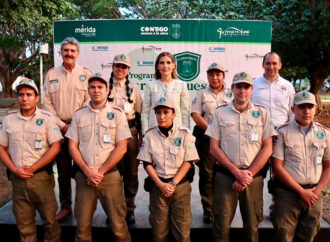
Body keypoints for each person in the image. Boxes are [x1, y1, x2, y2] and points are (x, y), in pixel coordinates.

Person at [205, 72, 277, 242]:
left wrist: (247, 174)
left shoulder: (262, 113)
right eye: (238, 86)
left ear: (252, 89)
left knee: (252, 227)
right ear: (232, 89)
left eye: (246, 87)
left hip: (253, 178)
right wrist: (236, 172)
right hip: (225, 176)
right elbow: (213, 148)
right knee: (220, 226)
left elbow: (268, 148)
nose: (242, 90)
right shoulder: (220, 113)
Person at [66, 73, 131, 241]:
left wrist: (99, 171)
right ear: (88, 90)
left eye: (100, 87)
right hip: (84, 177)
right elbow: (72, 146)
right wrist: (88, 172)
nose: (96, 91)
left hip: (109, 177)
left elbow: (122, 147)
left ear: (107, 90)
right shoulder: (79, 115)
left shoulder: (117, 114)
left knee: (119, 227)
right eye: (93, 87)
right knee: (82, 228)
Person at [0, 78, 62, 242]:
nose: (24, 98)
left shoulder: (47, 119)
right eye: (21, 95)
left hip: (41, 179)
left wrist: (34, 168)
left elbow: (56, 146)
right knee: (24, 226)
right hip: (17, 179)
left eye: (29, 94)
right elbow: (1, 148)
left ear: (36, 98)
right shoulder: (8, 120)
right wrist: (14, 169)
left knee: (50, 222)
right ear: (17, 97)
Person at [43, 37, 92, 222]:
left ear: (77, 54)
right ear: (60, 53)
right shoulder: (51, 74)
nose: (69, 53)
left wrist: (74, 124)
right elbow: (46, 102)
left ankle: (82, 206)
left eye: (72, 51)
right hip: (59, 129)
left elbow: (90, 100)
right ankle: (65, 207)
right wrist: (61, 125)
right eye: (66, 50)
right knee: (63, 172)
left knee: (81, 170)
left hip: (80, 129)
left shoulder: (86, 74)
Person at [271, 91, 330, 242]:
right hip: (288, 194)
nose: (306, 111)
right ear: (293, 109)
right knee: (284, 235)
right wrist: (301, 192)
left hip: (314, 194)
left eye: (310, 107)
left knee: (309, 235)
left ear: (315, 109)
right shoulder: (282, 132)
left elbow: (328, 166)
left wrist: (315, 192)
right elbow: (277, 167)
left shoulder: (324, 133)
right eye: (301, 107)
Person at [137, 98, 199, 242]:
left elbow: (189, 161)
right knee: (159, 233)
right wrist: (161, 185)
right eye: (158, 113)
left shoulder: (185, 134)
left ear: (174, 114)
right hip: (158, 188)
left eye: (166, 112)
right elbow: (146, 163)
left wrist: (172, 184)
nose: (162, 116)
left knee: (182, 233)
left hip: (180, 188)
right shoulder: (149, 135)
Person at [191, 62, 232, 223]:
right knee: (207, 173)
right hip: (206, 139)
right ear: (208, 76)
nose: (215, 78)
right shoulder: (201, 93)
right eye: (211, 75)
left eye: (218, 74)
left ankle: (222, 205)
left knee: (224, 173)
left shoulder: (231, 94)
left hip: (228, 139)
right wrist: (211, 131)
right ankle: (207, 207)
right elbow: (195, 114)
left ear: (223, 76)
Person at [107, 54, 143, 224]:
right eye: (117, 66)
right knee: (112, 172)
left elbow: (140, 114)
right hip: (109, 134)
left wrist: (141, 137)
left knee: (131, 172)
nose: (120, 69)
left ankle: (130, 208)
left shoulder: (134, 89)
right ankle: (112, 209)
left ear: (128, 70)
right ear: (112, 67)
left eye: (124, 66)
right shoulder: (104, 87)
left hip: (130, 132)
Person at [141, 52, 190, 134]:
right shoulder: (150, 85)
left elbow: (185, 112)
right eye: (162, 63)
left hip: (176, 133)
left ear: (173, 65)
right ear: (157, 66)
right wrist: (145, 133)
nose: (165, 66)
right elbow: (145, 113)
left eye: (168, 62)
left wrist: (185, 133)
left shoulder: (181, 85)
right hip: (154, 132)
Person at [251, 52, 295, 128]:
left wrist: (291, 129)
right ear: (263, 65)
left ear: (280, 65)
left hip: (281, 131)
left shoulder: (288, 86)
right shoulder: (253, 84)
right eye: (268, 63)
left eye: (274, 63)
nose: (271, 67)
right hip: (258, 129)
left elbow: (293, 111)